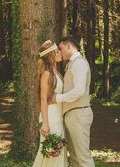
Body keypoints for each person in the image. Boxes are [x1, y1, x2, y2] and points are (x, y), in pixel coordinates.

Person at [50, 35, 93, 167]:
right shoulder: (73, 64)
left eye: (61, 48)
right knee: (75, 159)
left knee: (83, 157)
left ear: (69, 46)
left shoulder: (79, 62)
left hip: (78, 115)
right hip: (73, 115)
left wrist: (58, 98)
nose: (60, 52)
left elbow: (79, 90)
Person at [32, 39, 67, 167]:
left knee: (58, 151)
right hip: (50, 117)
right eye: (56, 51)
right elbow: (43, 99)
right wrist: (45, 123)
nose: (59, 53)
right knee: (51, 152)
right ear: (50, 55)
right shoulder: (46, 73)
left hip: (58, 116)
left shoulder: (56, 72)